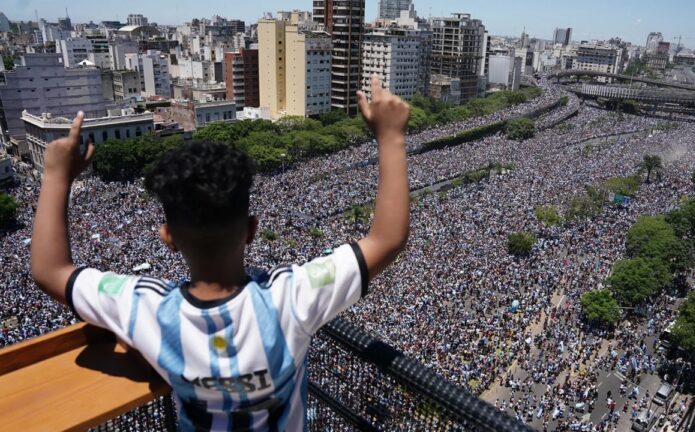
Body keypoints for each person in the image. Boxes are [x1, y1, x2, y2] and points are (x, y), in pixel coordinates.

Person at [29, 76, 411, 431]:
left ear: (168, 237)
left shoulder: (143, 308)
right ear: (251, 230)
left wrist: (56, 176)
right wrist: (390, 135)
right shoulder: (291, 297)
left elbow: (50, 270)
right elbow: (386, 239)